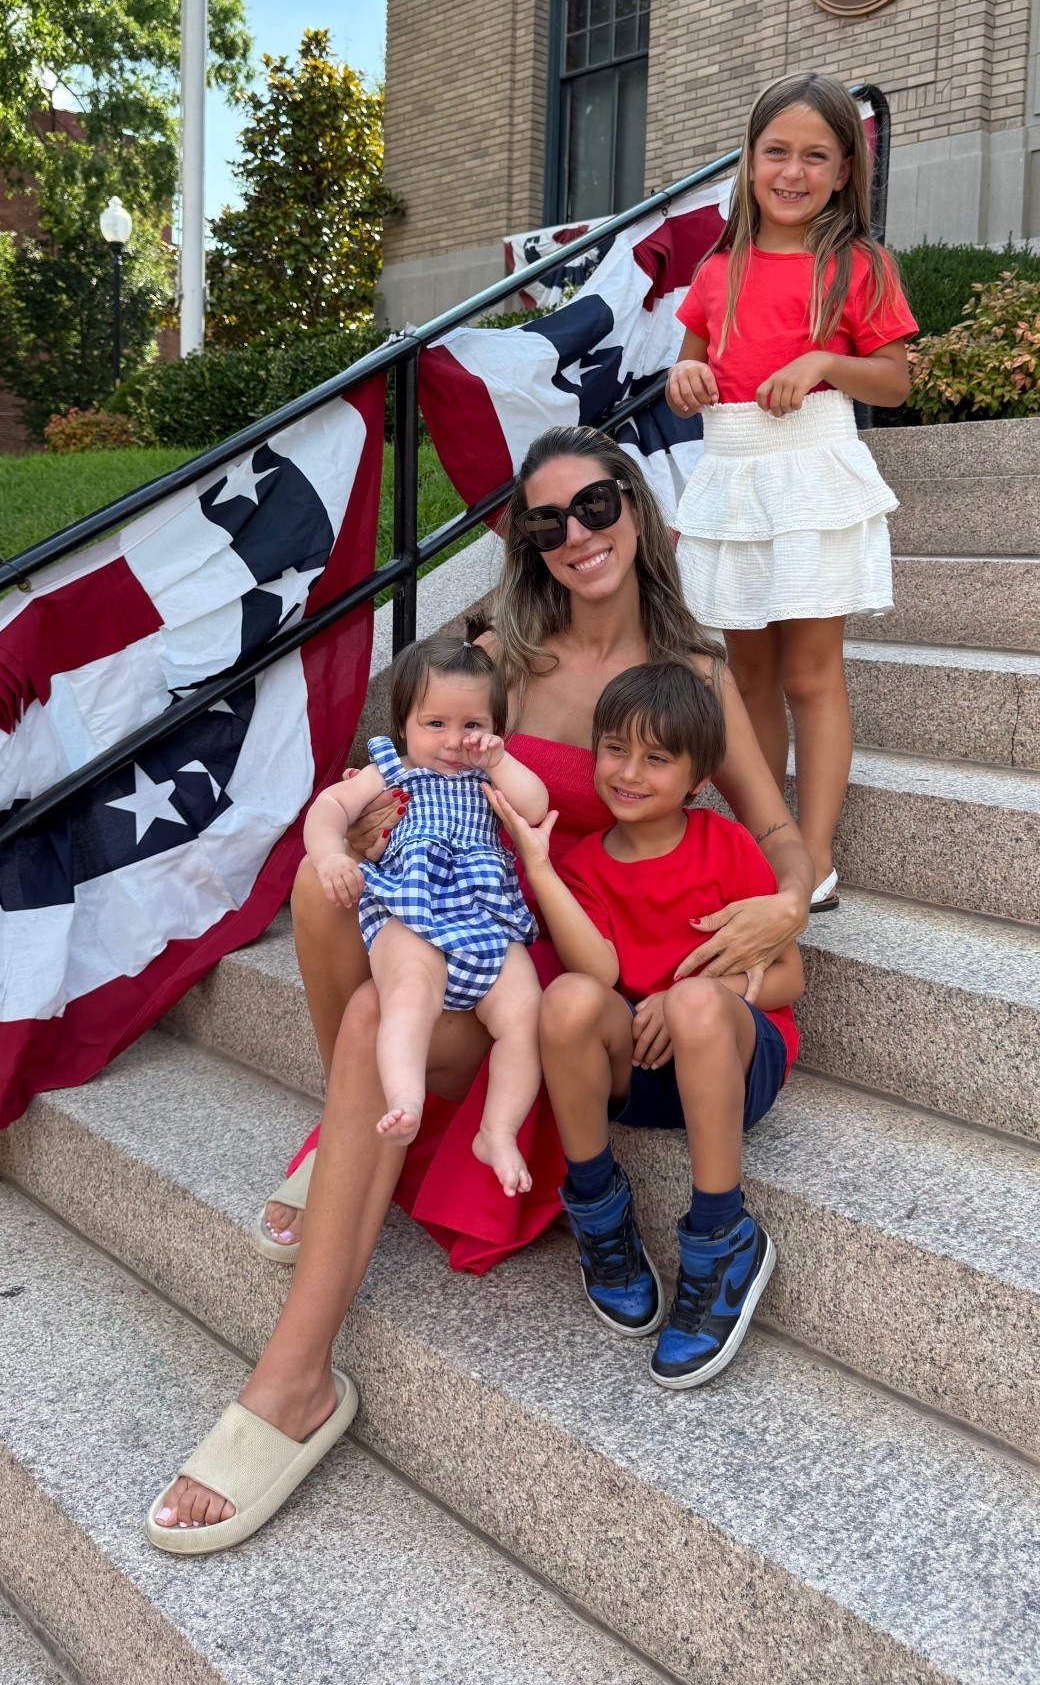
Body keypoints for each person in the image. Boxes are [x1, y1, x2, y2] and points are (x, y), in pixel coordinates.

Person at [146, 425, 813, 1552]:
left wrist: (788, 904)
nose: (576, 535)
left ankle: (295, 1367)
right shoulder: (501, 651)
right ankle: (324, 1224)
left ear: (635, 508)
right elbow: (424, 752)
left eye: (596, 504)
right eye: (545, 521)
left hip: (574, 979)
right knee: (322, 896)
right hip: (490, 931)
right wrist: (368, 824)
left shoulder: (691, 674)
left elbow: (776, 831)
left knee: (381, 1010)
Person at [490, 660, 803, 1390]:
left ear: (697, 779)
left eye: (657, 758)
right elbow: (596, 976)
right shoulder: (588, 868)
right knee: (564, 997)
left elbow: (789, 976)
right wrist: (539, 866)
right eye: (616, 749)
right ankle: (600, 1215)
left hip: (734, 1058)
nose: (629, 773)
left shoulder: (725, 846)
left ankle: (723, 1237)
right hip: (644, 1067)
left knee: (693, 1001)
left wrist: (694, 992)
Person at [667, 71, 917, 912]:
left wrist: (821, 363)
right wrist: (689, 376)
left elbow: (893, 382)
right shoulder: (716, 270)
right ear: (748, 161)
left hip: (812, 472)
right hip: (735, 474)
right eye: (777, 151)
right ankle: (764, 840)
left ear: (846, 171)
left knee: (811, 675)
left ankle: (813, 857)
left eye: (817, 156)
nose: (794, 171)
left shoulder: (858, 265)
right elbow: (690, 367)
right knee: (749, 674)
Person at [303, 636, 548, 1198]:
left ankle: (498, 1129)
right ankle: (405, 1097)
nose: (454, 741)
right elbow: (327, 809)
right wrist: (331, 855)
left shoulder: (490, 777)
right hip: (410, 911)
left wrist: (502, 760)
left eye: (472, 725)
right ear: (405, 722)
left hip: (486, 922)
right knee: (409, 994)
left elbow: (534, 809)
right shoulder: (389, 768)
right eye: (434, 723)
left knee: (524, 1011)